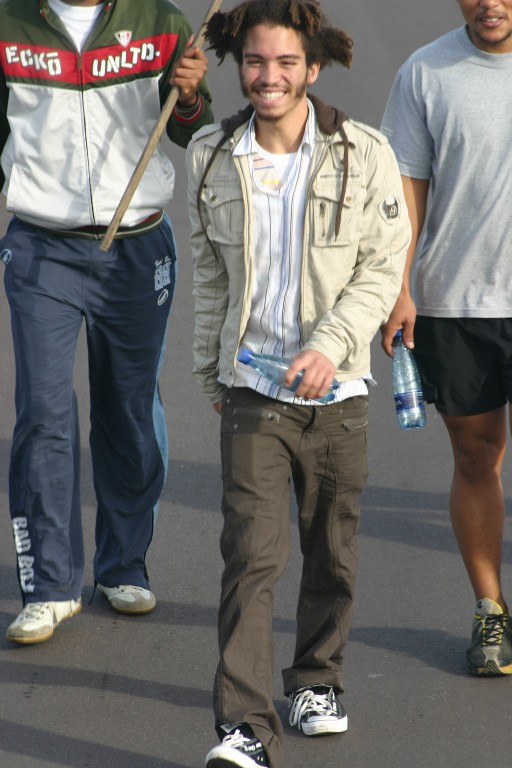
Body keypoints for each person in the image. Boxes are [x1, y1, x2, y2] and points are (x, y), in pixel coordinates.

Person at [186, 1, 411, 766]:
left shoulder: (363, 153)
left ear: (313, 67)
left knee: (332, 552)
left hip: (337, 394)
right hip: (253, 391)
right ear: (239, 65)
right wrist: (209, 370)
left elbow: (381, 269)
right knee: (250, 558)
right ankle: (244, 729)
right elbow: (210, 276)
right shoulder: (213, 156)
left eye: (286, 62)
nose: (269, 77)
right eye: (255, 61)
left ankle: (316, 678)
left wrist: (329, 347)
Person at [0, 0, 213, 645]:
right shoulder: (10, 21)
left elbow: (193, 130)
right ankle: (50, 586)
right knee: (43, 411)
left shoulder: (160, 20)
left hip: (138, 243)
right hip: (43, 245)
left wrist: (189, 96)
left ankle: (124, 564)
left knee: (128, 406)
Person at [380, 0, 512, 676]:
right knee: (475, 456)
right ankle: (491, 610)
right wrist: (397, 286)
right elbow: (406, 185)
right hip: (457, 301)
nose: (490, 3)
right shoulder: (426, 72)